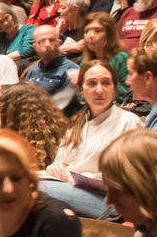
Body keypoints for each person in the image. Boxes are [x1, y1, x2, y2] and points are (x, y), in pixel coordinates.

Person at [43, 61, 140, 218]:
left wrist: (79, 176)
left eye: (105, 83)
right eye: (92, 84)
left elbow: (131, 178)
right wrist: (58, 168)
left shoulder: (129, 122)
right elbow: (61, 161)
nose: (99, 90)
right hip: (72, 189)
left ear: (114, 88)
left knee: (38, 187)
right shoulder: (77, 122)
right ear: (82, 90)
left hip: (110, 201)